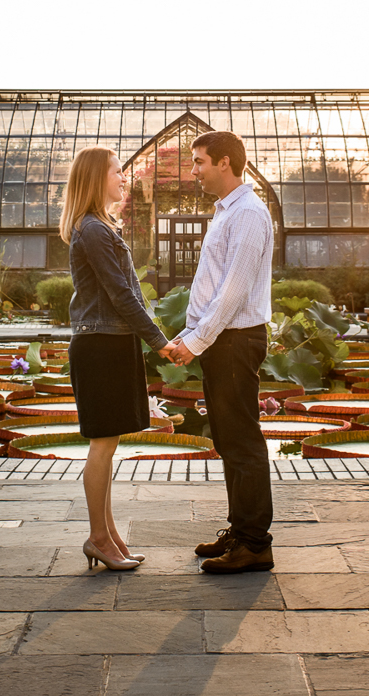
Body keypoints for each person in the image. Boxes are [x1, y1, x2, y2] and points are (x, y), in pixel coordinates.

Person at [160, 130, 275, 574]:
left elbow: (232, 292)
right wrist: (194, 334)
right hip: (224, 340)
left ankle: (254, 544)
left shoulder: (247, 214)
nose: (193, 171)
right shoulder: (228, 212)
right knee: (228, 438)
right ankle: (241, 529)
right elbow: (214, 287)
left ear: (225, 162)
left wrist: (195, 341)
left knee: (242, 439)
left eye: (199, 162)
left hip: (234, 340)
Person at [62, 146, 170, 572]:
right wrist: (160, 342)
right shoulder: (92, 229)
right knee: (102, 445)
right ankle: (98, 537)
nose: (124, 178)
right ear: (96, 178)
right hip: (100, 345)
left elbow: (131, 292)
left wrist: (155, 336)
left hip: (113, 341)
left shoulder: (101, 227)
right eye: (117, 171)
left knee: (108, 444)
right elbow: (120, 294)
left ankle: (107, 535)